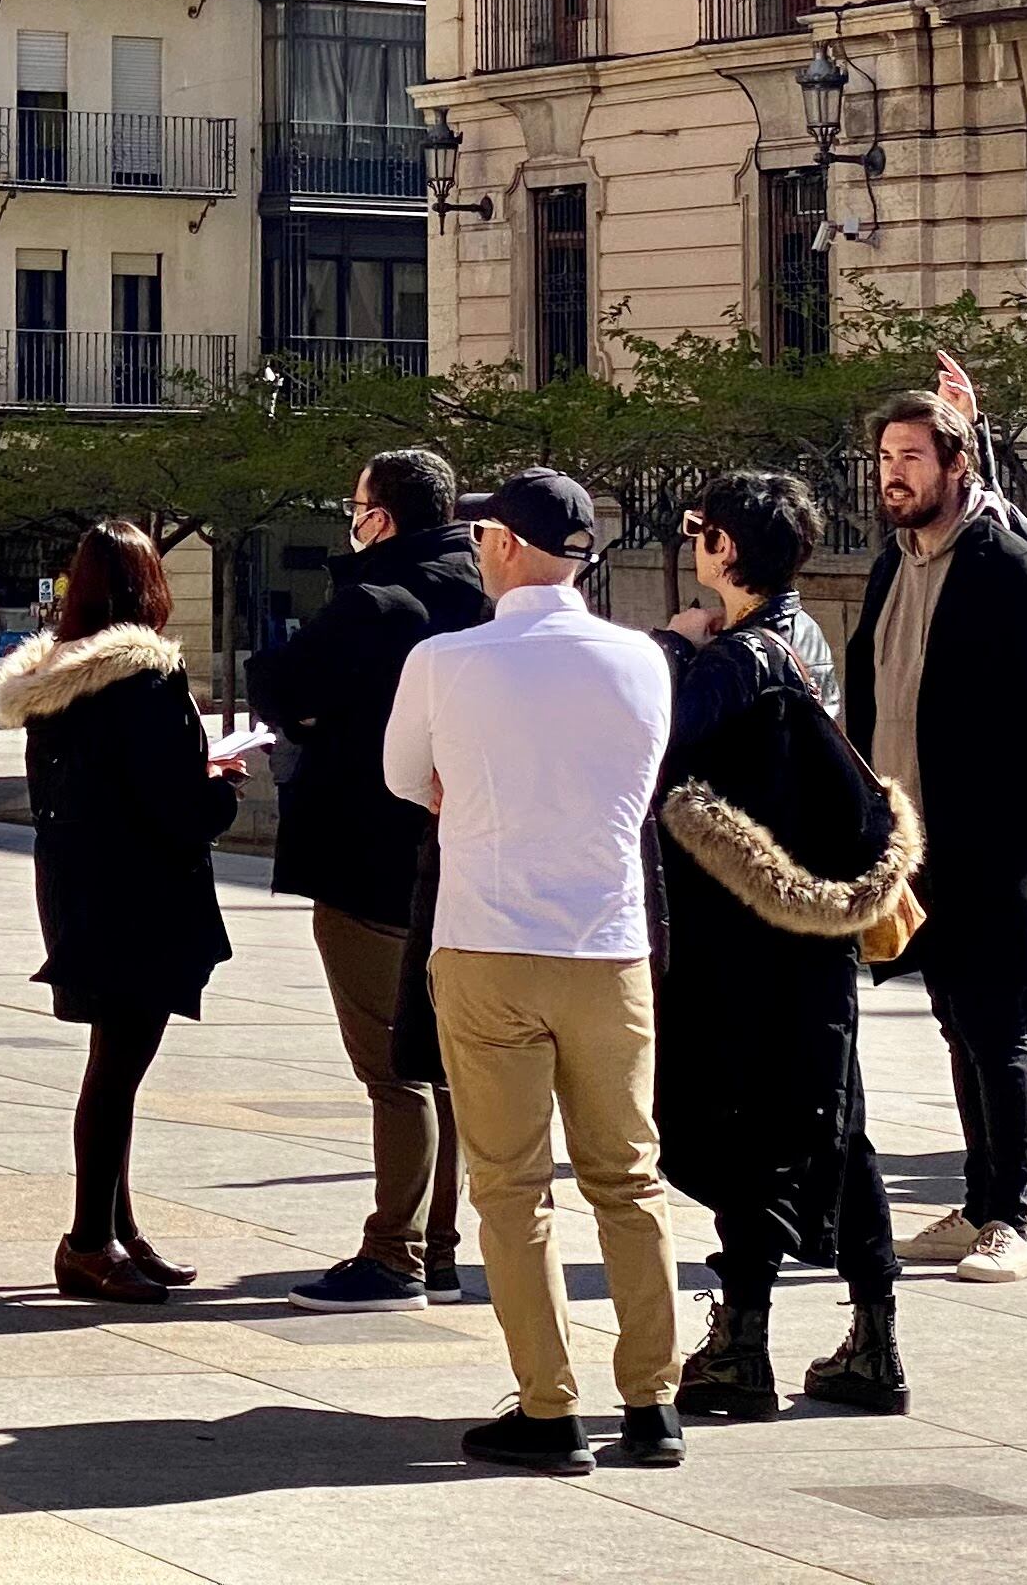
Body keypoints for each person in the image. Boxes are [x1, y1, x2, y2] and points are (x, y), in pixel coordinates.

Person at [386, 465, 683, 1477]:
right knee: (628, 1180)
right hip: (607, 945)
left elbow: (400, 777)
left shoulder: (446, 658)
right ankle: (652, 1402)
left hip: (487, 940)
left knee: (511, 1190)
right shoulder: (643, 660)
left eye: (483, 538)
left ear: (505, 545)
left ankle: (549, 1404)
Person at [653, 473, 918, 1425]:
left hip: (741, 931)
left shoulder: (734, 658)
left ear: (725, 548)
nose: (691, 544)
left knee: (739, 1127)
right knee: (832, 1123)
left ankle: (745, 1344)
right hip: (811, 937)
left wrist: (669, 647)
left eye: (698, 529)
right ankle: (874, 1339)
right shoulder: (797, 643)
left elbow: (655, 738)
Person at [843, 389, 1027, 1284]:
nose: (895, 474)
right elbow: (871, 698)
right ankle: (977, 1200)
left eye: (913, 457)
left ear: (959, 467)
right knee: (957, 1026)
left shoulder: (1007, 567)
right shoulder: (891, 566)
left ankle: (1012, 1221)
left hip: (1001, 844)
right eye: (886, 459)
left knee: (1003, 1034)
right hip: (915, 849)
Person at [247, 445, 487, 1313]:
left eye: (357, 506)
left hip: (368, 859)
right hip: (467, 862)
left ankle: (395, 1251)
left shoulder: (375, 600)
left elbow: (278, 682)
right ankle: (446, 1243)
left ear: (379, 517)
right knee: (454, 1064)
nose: (352, 520)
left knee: (393, 1067)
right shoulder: (485, 589)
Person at [0, 520, 245, 1304]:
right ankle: (88, 1241)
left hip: (78, 889)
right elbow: (175, 808)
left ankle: (118, 1230)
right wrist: (221, 786)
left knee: (114, 1068)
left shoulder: (55, 685)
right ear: (148, 589)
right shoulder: (146, 681)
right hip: (143, 895)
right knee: (115, 1074)